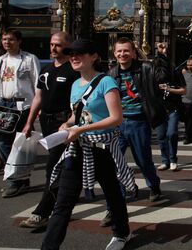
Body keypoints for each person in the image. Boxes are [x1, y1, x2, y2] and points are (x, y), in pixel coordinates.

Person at [41, 39, 133, 250]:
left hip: (102, 149)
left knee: (112, 193)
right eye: (71, 53)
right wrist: (68, 123)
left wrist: (80, 129)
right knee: (63, 202)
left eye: (79, 53)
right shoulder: (75, 84)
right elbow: (79, 114)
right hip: (78, 149)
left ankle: (122, 233)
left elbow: (116, 118)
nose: (74, 57)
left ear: (94, 57)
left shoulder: (106, 82)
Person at [19, 32, 80, 229]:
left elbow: (79, 100)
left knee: (53, 167)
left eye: (58, 45)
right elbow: (38, 97)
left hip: (64, 124)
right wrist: (29, 122)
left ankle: (42, 212)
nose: (53, 48)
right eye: (52, 44)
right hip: (46, 121)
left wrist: (71, 122)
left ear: (68, 46)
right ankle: (63, 203)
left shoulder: (74, 69)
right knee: (67, 169)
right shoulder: (45, 70)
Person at [109, 37, 167, 203]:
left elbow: (163, 76)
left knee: (143, 160)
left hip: (139, 122)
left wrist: (162, 56)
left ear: (134, 53)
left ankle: (154, 185)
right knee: (115, 161)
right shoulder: (111, 74)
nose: (122, 54)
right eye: (119, 51)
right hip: (118, 123)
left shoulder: (146, 68)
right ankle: (120, 195)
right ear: (114, 53)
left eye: (126, 50)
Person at [0, 28, 40, 198]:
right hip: (4, 105)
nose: (6, 42)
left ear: (19, 41)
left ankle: (17, 181)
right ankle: (18, 179)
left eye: (10, 39)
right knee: (4, 143)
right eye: (4, 39)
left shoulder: (29, 59)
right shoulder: (1, 60)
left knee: (16, 143)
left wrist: (36, 108)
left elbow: (37, 83)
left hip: (23, 106)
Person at [155, 42, 186, 172]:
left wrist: (169, 89)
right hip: (159, 108)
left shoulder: (176, 72)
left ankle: (173, 159)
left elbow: (183, 90)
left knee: (172, 133)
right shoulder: (153, 72)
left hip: (173, 107)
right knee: (161, 135)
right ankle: (165, 160)